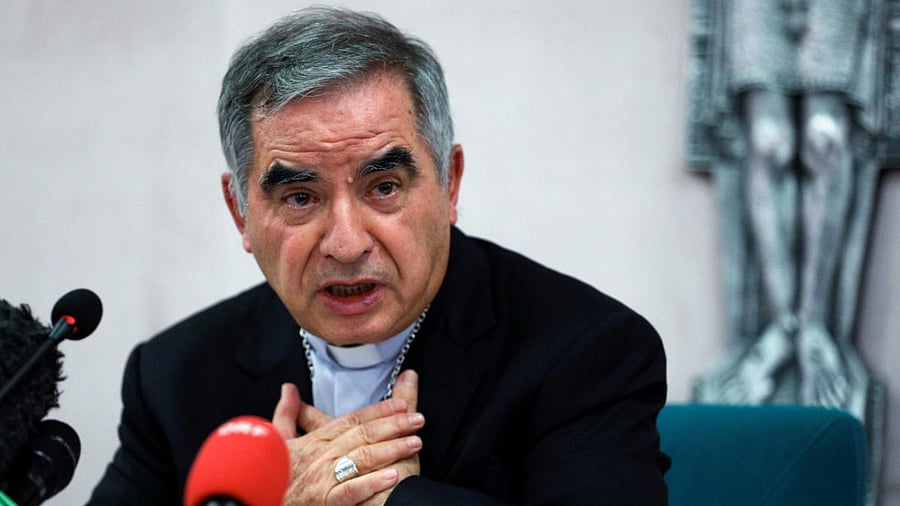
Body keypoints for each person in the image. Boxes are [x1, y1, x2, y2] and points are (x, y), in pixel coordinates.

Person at [88, 7, 670, 505]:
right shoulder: (176, 377)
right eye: (299, 196)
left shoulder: (586, 351)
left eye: (383, 187)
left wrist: (390, 498)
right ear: (240, 211)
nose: (346, 243)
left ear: (449, 185)